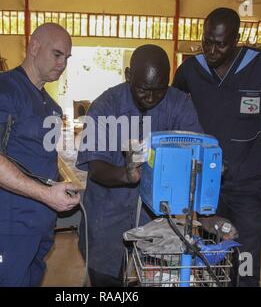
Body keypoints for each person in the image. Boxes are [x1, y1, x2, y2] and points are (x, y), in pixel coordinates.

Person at [172, 8, 261, 287]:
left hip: (250, 184)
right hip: (207, 187)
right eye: (207, 41)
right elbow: (172, 111)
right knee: (210, 257)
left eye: (220, 43)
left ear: (236, 39)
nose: (211, 50)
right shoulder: (191, 70)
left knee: (246, 259)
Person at [75, 44, 203, 286]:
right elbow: (96, 167)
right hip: (107, 210)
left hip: (155, 214)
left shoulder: (178, 104)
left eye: (159, 90)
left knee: (156, 277)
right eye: (143, 89)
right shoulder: (106, 106)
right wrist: (127, 175)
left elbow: (196, 148)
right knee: (106, 277)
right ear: (128, 76)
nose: (151, 98)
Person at [0, 23, 80, 287]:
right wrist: (46, 194)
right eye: (57, 54)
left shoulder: (49, 106)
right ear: (34, 47)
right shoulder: (1, 89)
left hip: (40, 224)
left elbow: (42, 158)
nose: (62, 63)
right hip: (10, 226)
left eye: (67, 58)